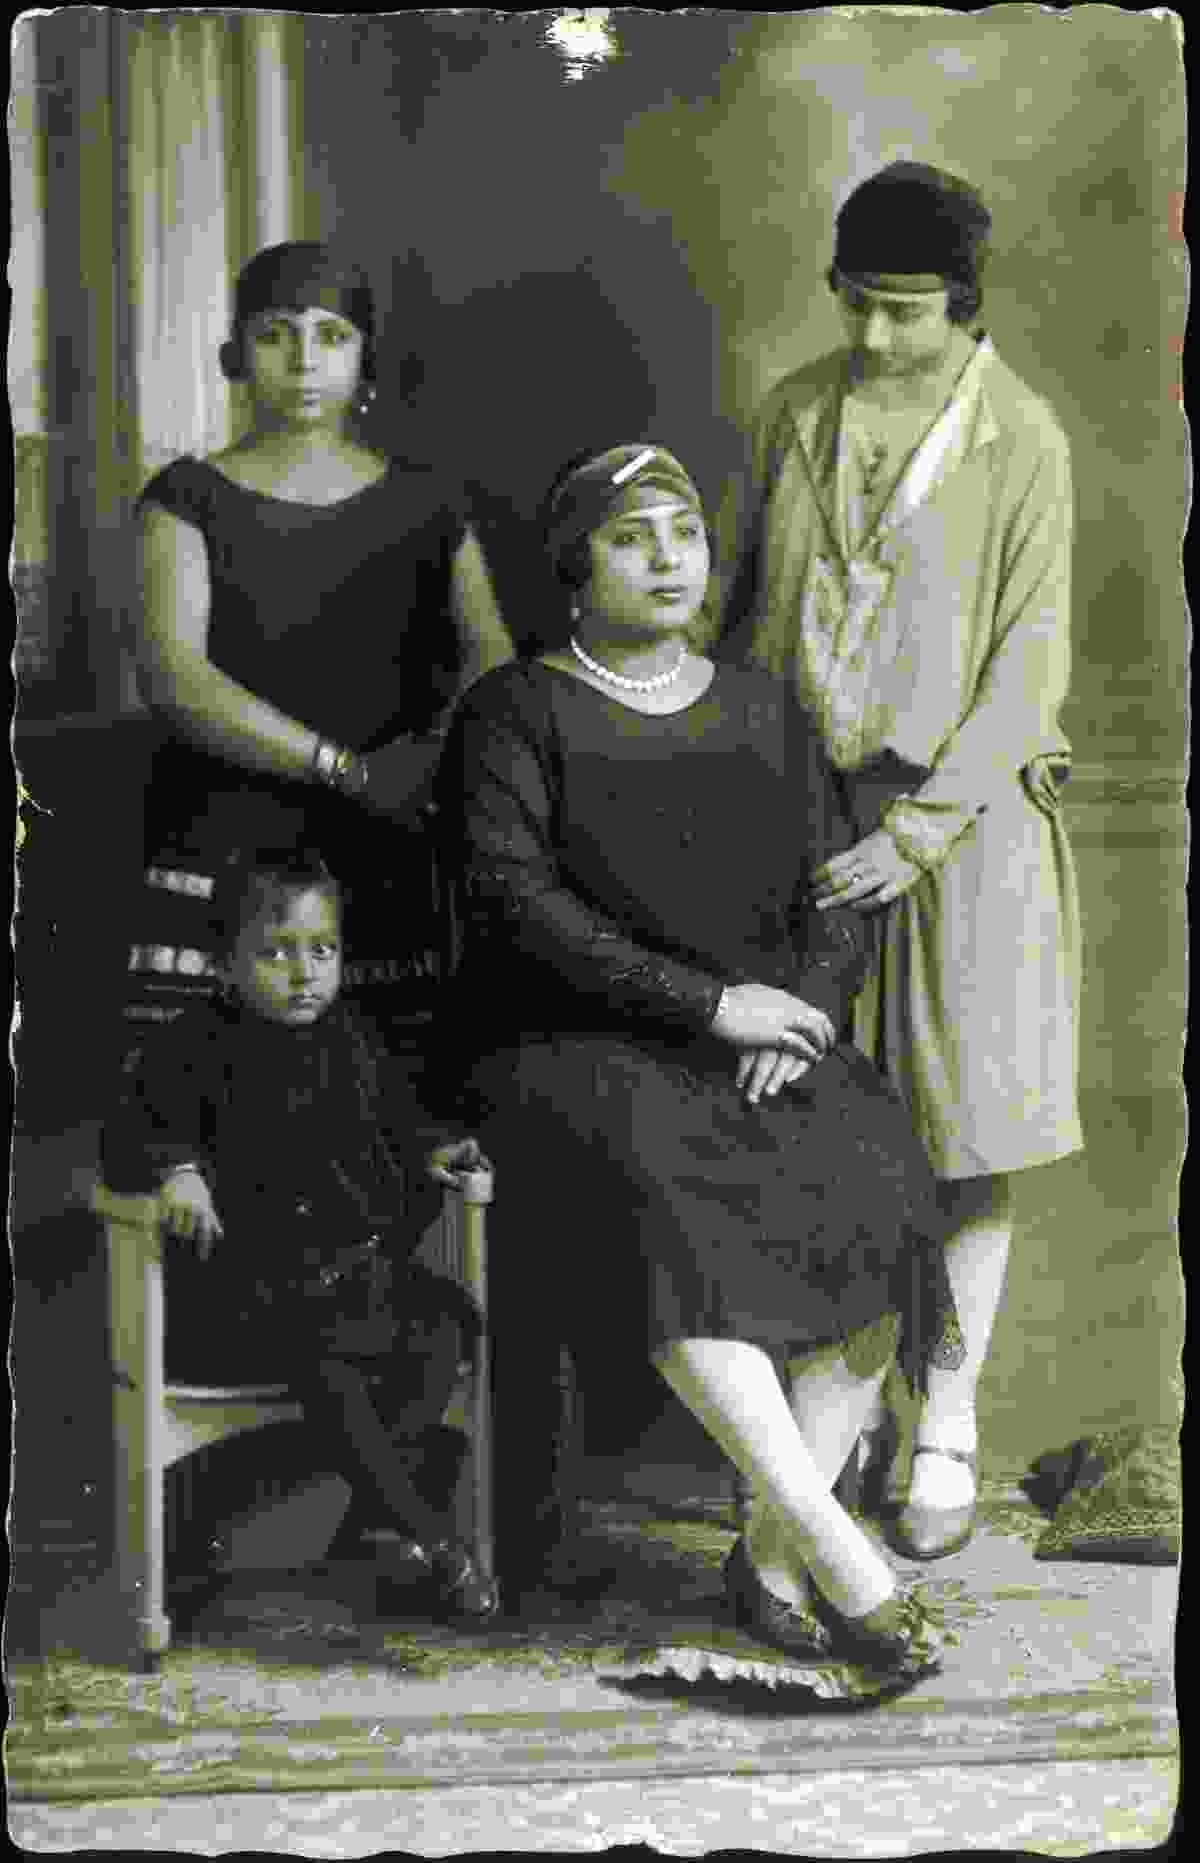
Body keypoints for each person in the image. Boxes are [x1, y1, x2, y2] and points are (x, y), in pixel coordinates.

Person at [432, 442, 965, 1679]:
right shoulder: (516, 712)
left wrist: (804, 1015)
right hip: (567, 1046)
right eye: (631, 539)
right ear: (575, 568)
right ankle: (847, 1565)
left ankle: (772, 1559)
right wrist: (712, 1005)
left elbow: (835, 895)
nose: (668, 559)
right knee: (671, 1205)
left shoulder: (764, 708)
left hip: (759, 1038)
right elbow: (518, 906)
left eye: (683, 534)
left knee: (877, 1180)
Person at [715, 162, 1083, 1560]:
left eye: (907, 311)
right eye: (857, 303)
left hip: (960, 827)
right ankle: (840, 1416)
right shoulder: (796, 412)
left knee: (963, 1136)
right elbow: (736, 604)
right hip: (804, 819)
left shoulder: (1020, 438)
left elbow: (1028, 665)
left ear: (965, 303)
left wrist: (917, 837)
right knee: (817, 1123)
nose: (874, 336)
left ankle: (949, 1425)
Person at [101, 846, 499, 1622]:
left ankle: (369, 1513)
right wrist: (177, 1169)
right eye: (277, 952)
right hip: (250, 1295)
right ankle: (433, 1538)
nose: (304, 972)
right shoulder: (193, 1046)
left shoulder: (352, 1040)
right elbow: (133, 1130)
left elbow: (394, 1124)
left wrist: (430, 1150)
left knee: (448, 1323)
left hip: (359, 1282)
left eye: (322, 949)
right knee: (330, 1369)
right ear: (226, 963)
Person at [129, 239, 513, 1039]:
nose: (304, 360)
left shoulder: (431, 506)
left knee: (390, 1085)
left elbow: (491, 664)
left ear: (366, 359)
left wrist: (420, 763)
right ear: (237, 354)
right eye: (276, 334)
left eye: (331, 337)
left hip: (390, 835)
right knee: (206, 1086)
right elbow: (174, 676)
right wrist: (345, 769)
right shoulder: (186, 498)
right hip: (223, 836)